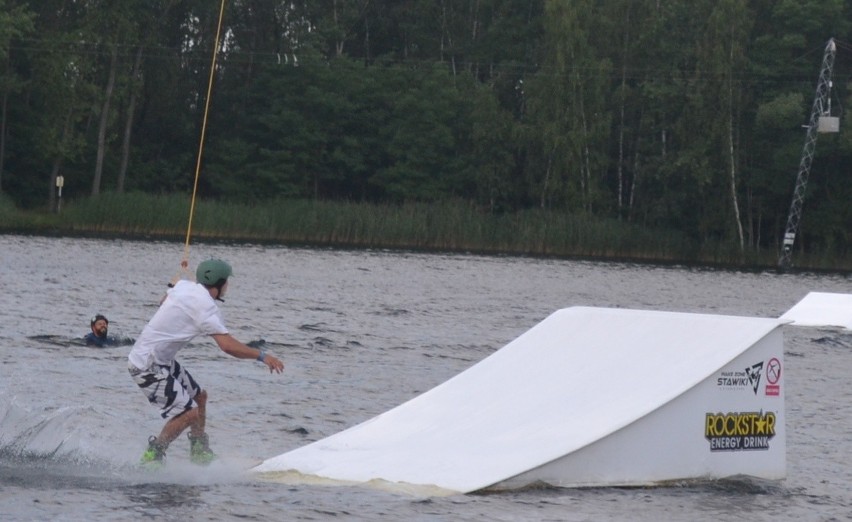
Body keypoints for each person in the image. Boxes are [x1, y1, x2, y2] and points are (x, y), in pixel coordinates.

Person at [127, 258, 284, 467]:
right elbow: (227, 346)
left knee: (199, 398)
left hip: (160, 359)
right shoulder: (206, 309)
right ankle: (152, 456)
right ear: (218, 283)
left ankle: (199, 451)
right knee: (189, 412)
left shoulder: (184, 286)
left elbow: (163, 300)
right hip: (146, 364)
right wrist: (263, 356)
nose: (228, 286)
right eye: (226, 282)